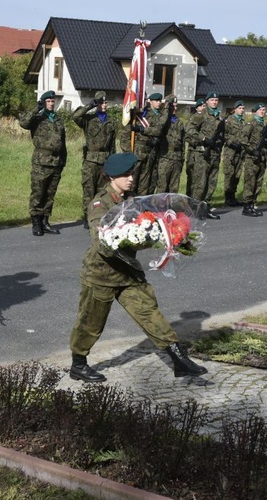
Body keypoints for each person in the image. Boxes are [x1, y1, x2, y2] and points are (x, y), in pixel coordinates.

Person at [68, 152, 208, 382]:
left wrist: (171, 237)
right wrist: (135, 238)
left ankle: (179, 360)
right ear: (113, 177)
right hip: (101, 273)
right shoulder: (99, 204)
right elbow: (101, 241)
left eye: (132, 173)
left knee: (149, 312)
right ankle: (79, 365)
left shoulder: (132, 201)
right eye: (125, 174)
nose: (131, 178)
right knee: (91, 322)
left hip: (128, 273)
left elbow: (151, 225)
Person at [19, 90, 67, 236]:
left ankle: (45, 221)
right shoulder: (38, 118)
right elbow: (23, 123)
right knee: (38, 193)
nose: (51, 103)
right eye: (48, 101)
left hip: (56, 162)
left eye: (53, 101)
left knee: (50, 194)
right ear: (44, 102)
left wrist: (63, 161)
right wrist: (36, 108)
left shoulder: (58, 120)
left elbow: (62, 142)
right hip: (41, 162)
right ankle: (36, 223)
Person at [72, 91, 115, 228]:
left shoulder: (111, 121)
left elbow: (112, 145)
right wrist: (91, 104)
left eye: (105, 102)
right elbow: (75, 116)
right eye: (101, 102)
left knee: (102, 191)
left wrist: (112, 162)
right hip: (91, 160)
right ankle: (87, 216)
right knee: (88, 189)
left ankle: (100, 215)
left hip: (105, 160)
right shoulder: (88, 119)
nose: (104, 105)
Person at [185, 91, 223, 218]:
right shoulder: (201, 115)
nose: (214, 102)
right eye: (212, 100)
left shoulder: (219, 117)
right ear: (207, 102)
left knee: (212, 183)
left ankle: (206, 207)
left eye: (216, 100)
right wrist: (203, 139)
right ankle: (196, 209)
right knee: (200, 183)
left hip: (214, 154)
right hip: (202, 154)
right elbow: (189, 129)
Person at [239, 103, 267, 217]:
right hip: (252, 158)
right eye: (260, 110)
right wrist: (252, 150)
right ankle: (246, 206)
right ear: (255, 111)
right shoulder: (251, 124)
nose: (262, 111)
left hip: (261, 157)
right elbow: (243, 140)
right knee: (250, 182)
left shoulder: (264, 125)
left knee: (258, 182)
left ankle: (252, 204)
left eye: (264, 110)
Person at [155, 94, 184, 194]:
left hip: (177, 158)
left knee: (174, 188)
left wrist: (182, 159)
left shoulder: (179, 122)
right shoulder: (162, 119)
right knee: (162, 187)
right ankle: (160, 208)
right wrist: (167, 108)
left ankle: (171, 207)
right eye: (172, 106)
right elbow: (158, 128)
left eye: (176, 106)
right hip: (165, 158)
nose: (174, 108)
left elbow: (182, 143)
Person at [221, 100, 245, 207]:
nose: (242, 110)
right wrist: (232, 143)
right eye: (239, 108)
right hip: (230, 152)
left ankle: (233, 196)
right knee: (229, 175)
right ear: (235, 109)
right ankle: (227, 197)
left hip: (240, 153)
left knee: (237, 175)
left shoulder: (243, 122)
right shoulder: (229, 120)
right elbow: (224, 135)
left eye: (243, 108)